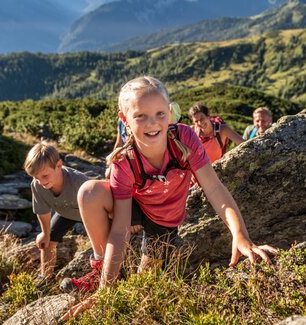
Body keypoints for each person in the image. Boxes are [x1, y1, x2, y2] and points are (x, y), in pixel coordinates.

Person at [59, 76, 277, 321]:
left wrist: (240, 235)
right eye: (140, 115)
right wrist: (105, 291)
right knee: (89, 192)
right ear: (125, 120)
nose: (152, 123)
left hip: (164, 221)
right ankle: (104, 272)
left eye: (160, 114)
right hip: (134, 206)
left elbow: (214, 189)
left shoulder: (184, 138)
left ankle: (126, 271)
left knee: (143, 287)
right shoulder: (125, 161)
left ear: (170, 113)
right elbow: (119, 230)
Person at [23, 141, 90, 282]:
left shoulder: (79, 182)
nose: (40, 182)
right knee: (47, 241)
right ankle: (45, 278)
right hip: (65, 212)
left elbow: (103, 205)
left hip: (90, 213)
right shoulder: (37, 185)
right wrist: (45, 234)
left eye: (45, 176)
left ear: (59, 165)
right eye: (36, 177)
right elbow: (43, 211)